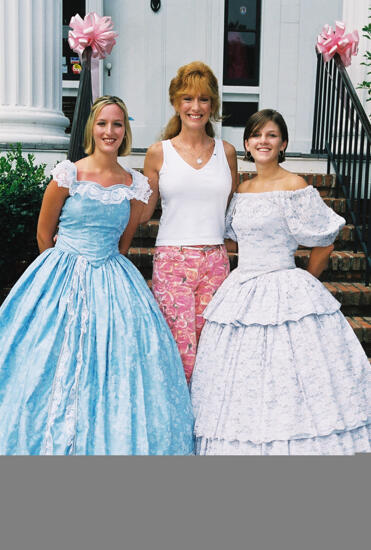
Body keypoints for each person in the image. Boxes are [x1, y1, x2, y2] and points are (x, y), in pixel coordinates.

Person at [0, 95, 194, 455]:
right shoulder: (68, 174)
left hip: (113, 277)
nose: (110, 131)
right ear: (92, 127)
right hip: (61, 273)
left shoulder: (135, 184)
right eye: (103, 123)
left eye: (117, 124)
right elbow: (45, 234)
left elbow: (123, 243)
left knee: (120, 364)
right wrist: (62, 275)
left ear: (125, 132)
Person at [190, 108, 371, 455]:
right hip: (242, 288)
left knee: (291, 374)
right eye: (257, 135)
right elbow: (233, 238)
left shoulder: (295, 186)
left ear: (283, 143)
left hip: (284, 285)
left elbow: (325, 239)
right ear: (247, 143)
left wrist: (305, 279)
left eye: (271, 135)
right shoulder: (242, 189)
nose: (263, 141)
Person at [142, 61, 237, 383]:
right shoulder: (158, 153)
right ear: (175, 102)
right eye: (188, 99)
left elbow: (236, 211)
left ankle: (209, 426)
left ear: (213, 104)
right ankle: (177, 423)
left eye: (204, 99)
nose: (196, 107)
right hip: (172, 260)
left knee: (213, 346)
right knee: (179, 349)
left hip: (215, 260)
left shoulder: (227, 152)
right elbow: (143, 212)